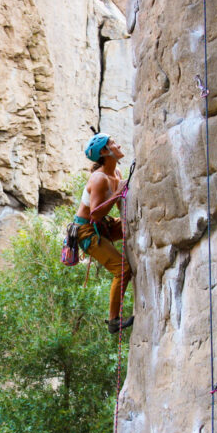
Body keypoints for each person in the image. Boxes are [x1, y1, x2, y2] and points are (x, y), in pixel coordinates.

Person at [75, 133, 134, 334]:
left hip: (103, 226)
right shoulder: (99, 179)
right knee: (123, 270)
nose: (118, 145)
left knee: (135, 224)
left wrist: (124, 222)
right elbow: (95, 213)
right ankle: (113, 320)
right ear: (104, 152)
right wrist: (118, 193)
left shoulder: (115, 172)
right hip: (87, 231)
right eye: (113, 143)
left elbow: (117, 204)